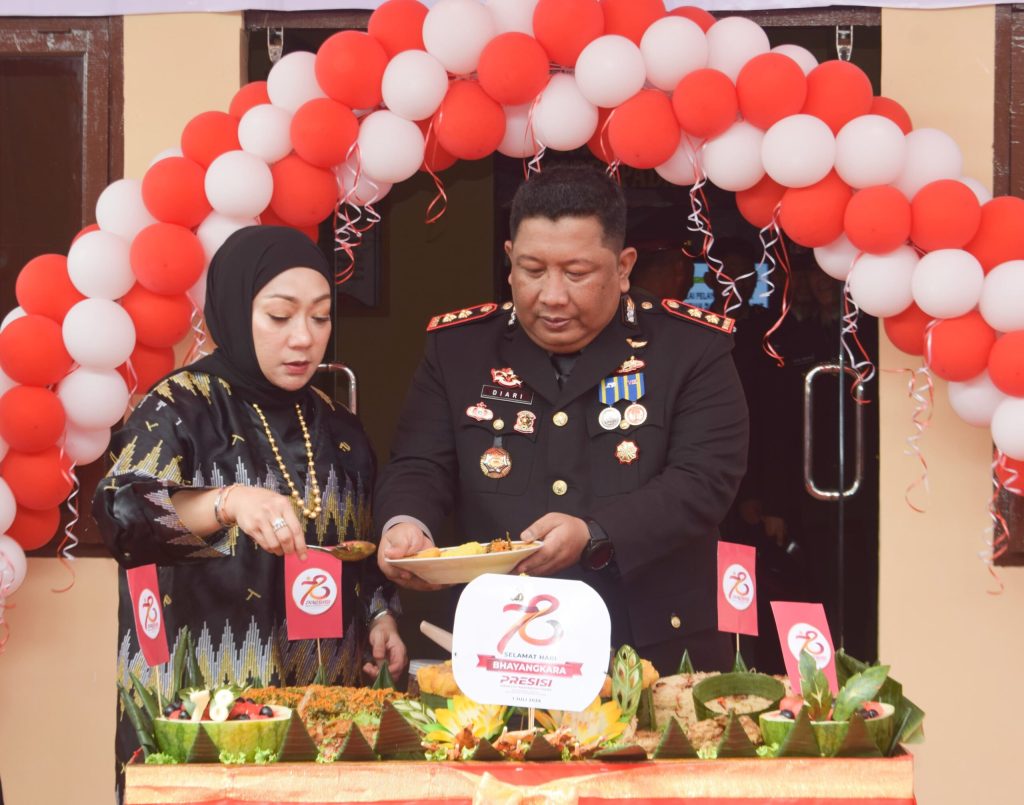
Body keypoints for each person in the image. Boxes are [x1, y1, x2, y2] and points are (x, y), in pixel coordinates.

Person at [374, 165, 748, 675]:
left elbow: (703, 482)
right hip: (501, 643)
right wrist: (407, 526)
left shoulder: (689, 348)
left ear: (623, 266)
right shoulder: (459, 348)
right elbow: (420, 463)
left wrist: (595, 532)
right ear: (508, 262)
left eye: (576, 274)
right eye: (532, 270)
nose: (552, 295)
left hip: (651, 640)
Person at [93, 226, 405, 796]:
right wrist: (227, 502)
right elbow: (122, 517)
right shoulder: (181, 406)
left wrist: (382, 615)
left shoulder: (340, 426)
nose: (304, 339)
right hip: (205, 704)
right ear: (237, 312)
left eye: (320, 317)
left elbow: (354, 550)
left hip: (323, 703)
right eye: (280, 316)